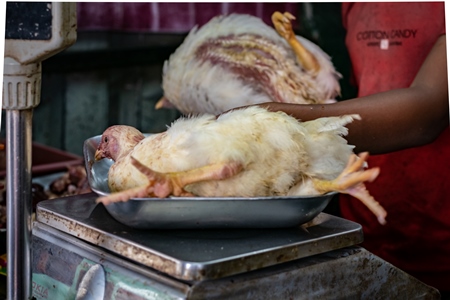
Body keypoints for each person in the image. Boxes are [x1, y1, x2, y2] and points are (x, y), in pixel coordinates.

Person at [257, 2, 450, 296]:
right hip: (361, 219)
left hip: (439, 232)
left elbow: (429, 112)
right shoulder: (352, 5)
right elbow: (361, 89)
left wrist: (274, 117)